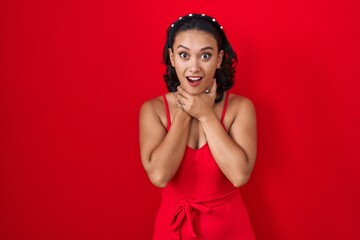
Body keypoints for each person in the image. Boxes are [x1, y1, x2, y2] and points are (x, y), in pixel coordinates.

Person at [139, 13, 257, 240]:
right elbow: (160, 176)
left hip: (231, 230)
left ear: (219, 58)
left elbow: (240, 175)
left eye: (205, 55)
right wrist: (185, 111)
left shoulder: (241, 108)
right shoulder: (152, 110)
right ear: (172, 58)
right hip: (173, 229)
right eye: (184, 55)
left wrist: (205, 114)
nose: (194, 67)